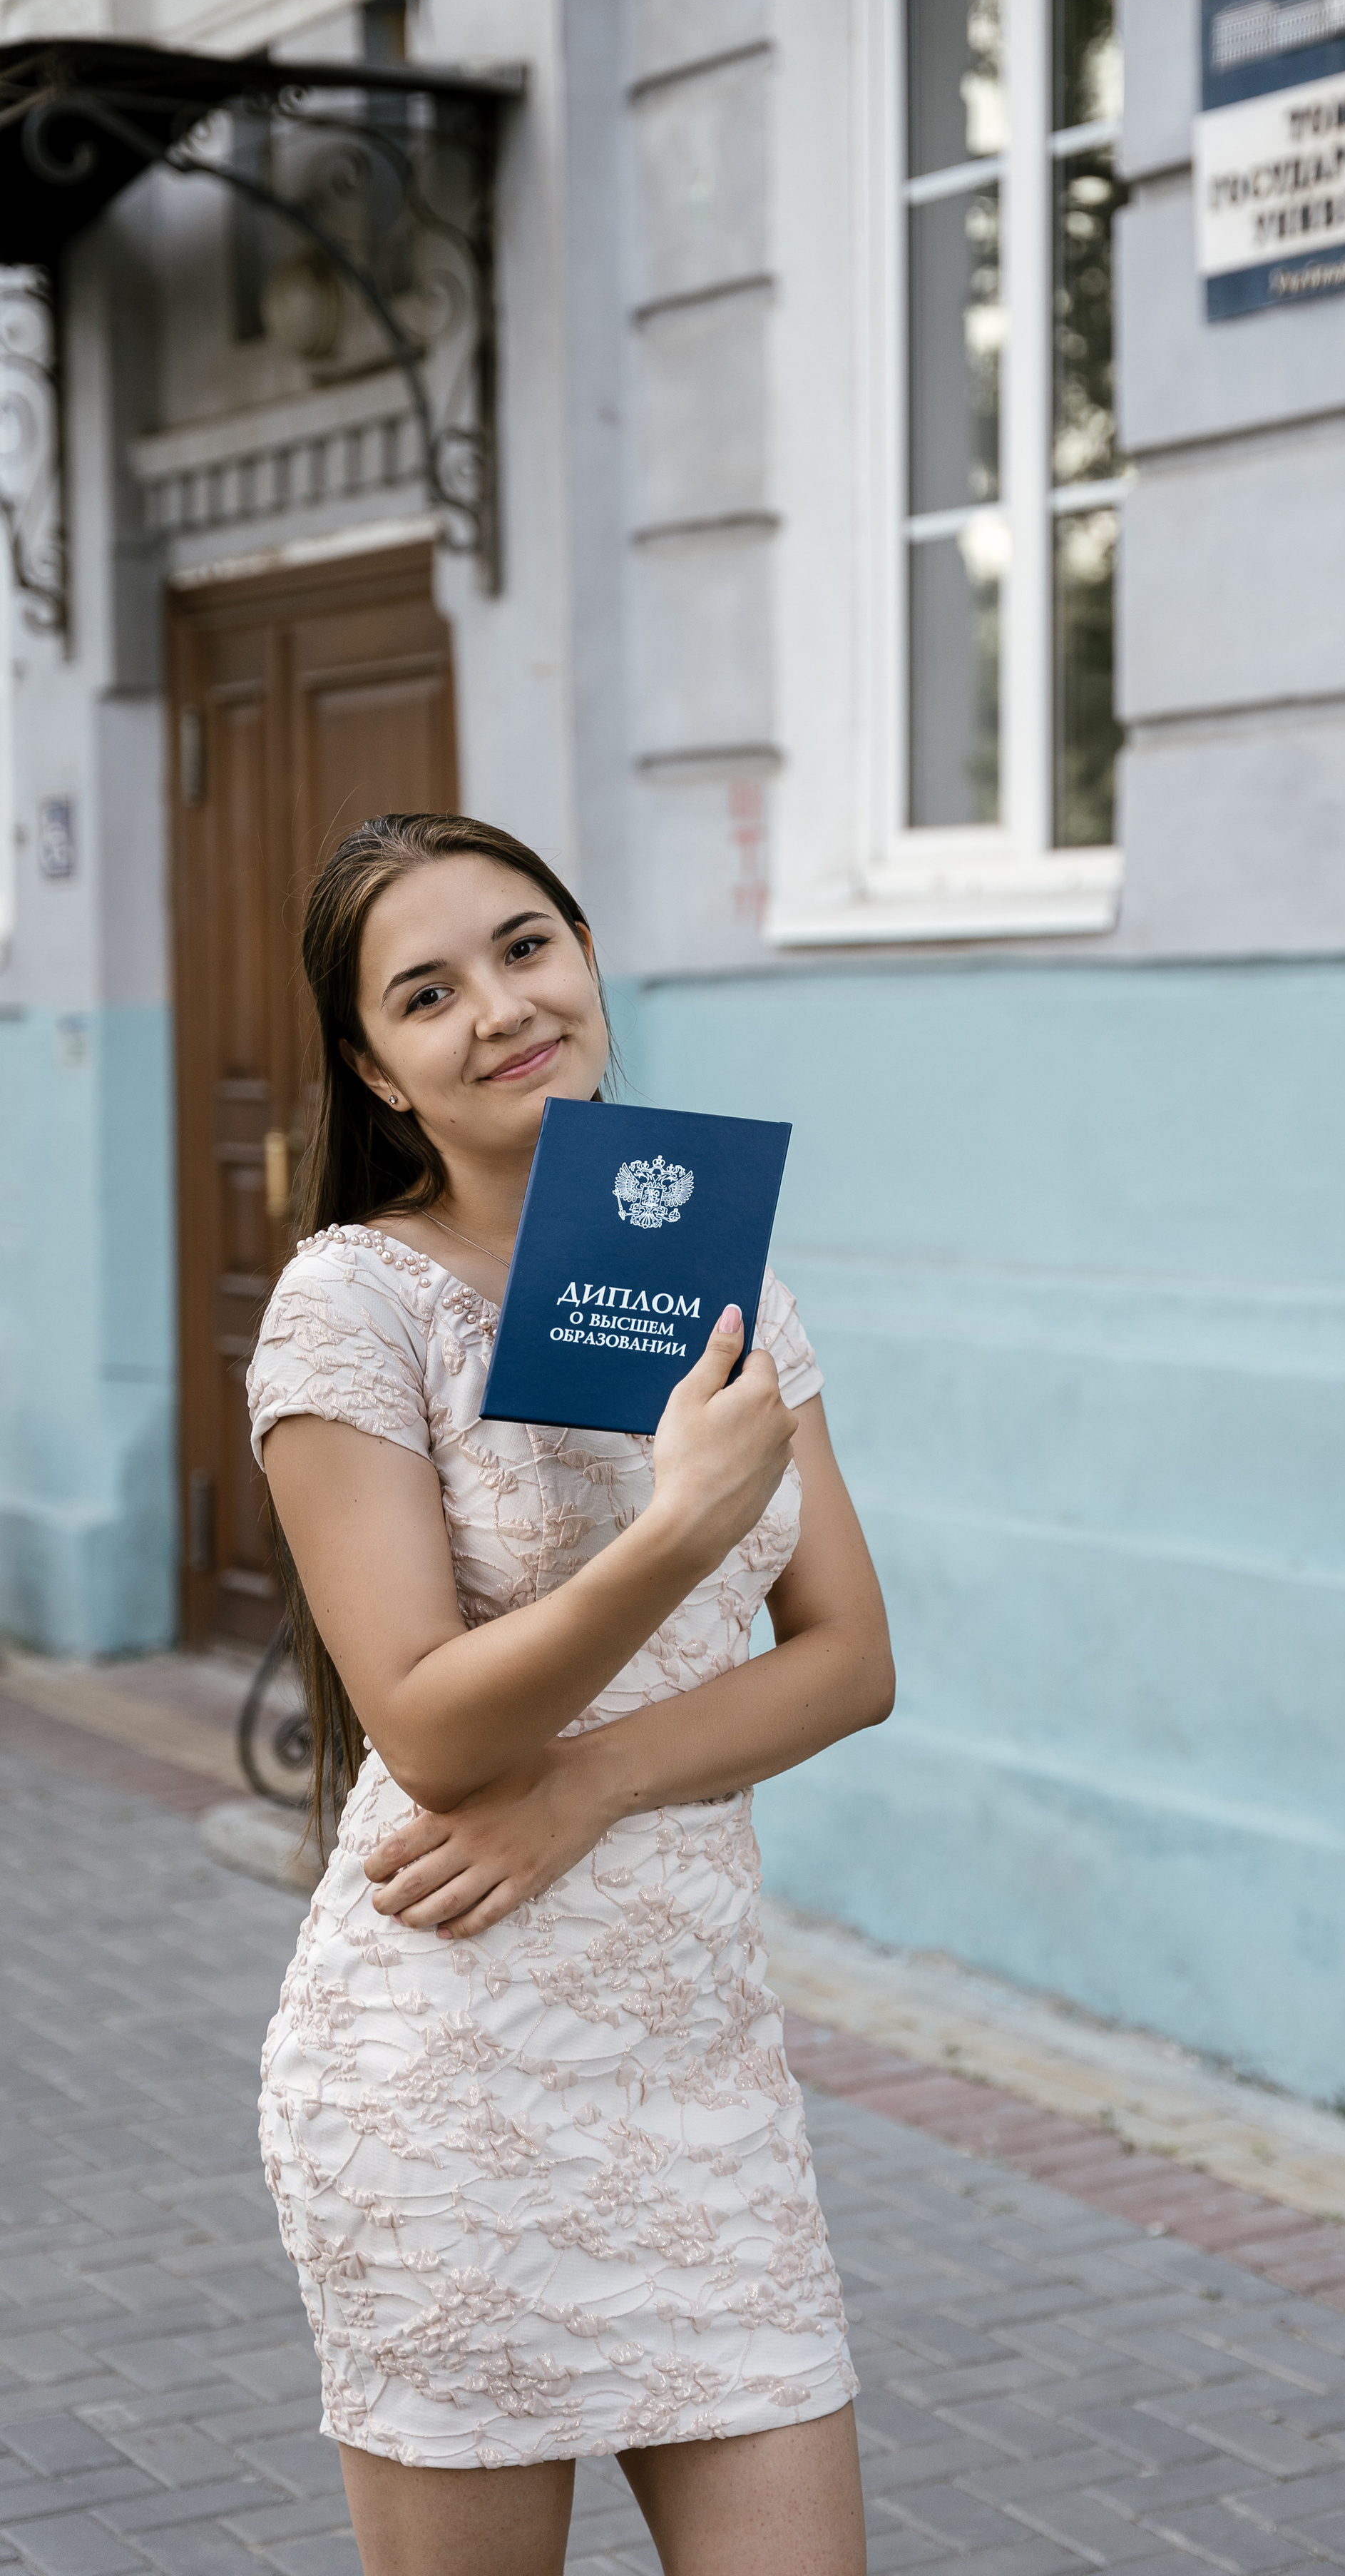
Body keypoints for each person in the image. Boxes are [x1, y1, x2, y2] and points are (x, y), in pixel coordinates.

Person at [247, 810, 893, 2576]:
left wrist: (594, 1782)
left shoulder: (722, 1269)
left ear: (587, 962)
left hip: (695, 2073)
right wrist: (676, 1529)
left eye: (527, 947)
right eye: (428, 991)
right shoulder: (350, 1307)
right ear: (377, 1071)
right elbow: (432, 1729)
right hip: (449, 2075)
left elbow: (848, 1657)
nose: (503, 1007)